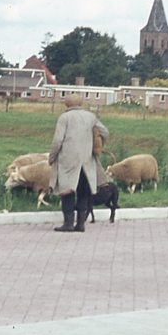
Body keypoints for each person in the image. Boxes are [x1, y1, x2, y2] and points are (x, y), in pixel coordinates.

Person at [49, 92, 109, 232]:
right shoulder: (90, 116)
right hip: (86, 159)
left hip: (68, 160)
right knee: (83, 191)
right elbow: (104, 132)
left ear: (66, 104)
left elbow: (58, 140)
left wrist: (52, 158)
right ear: (80, 104)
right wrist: (98, 145)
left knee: (67, 190)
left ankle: (68, 224)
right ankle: (81, 224)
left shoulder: (64, 117)